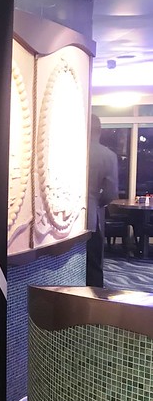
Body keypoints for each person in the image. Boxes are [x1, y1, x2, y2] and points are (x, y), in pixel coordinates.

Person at [86, 113, 119, 287]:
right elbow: (110, 193)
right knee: (93, 265)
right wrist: (97, 202)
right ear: (100, 131)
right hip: (92, 217)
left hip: (62, 220)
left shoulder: (70, 151)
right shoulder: (108, 156)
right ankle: (93, 297)